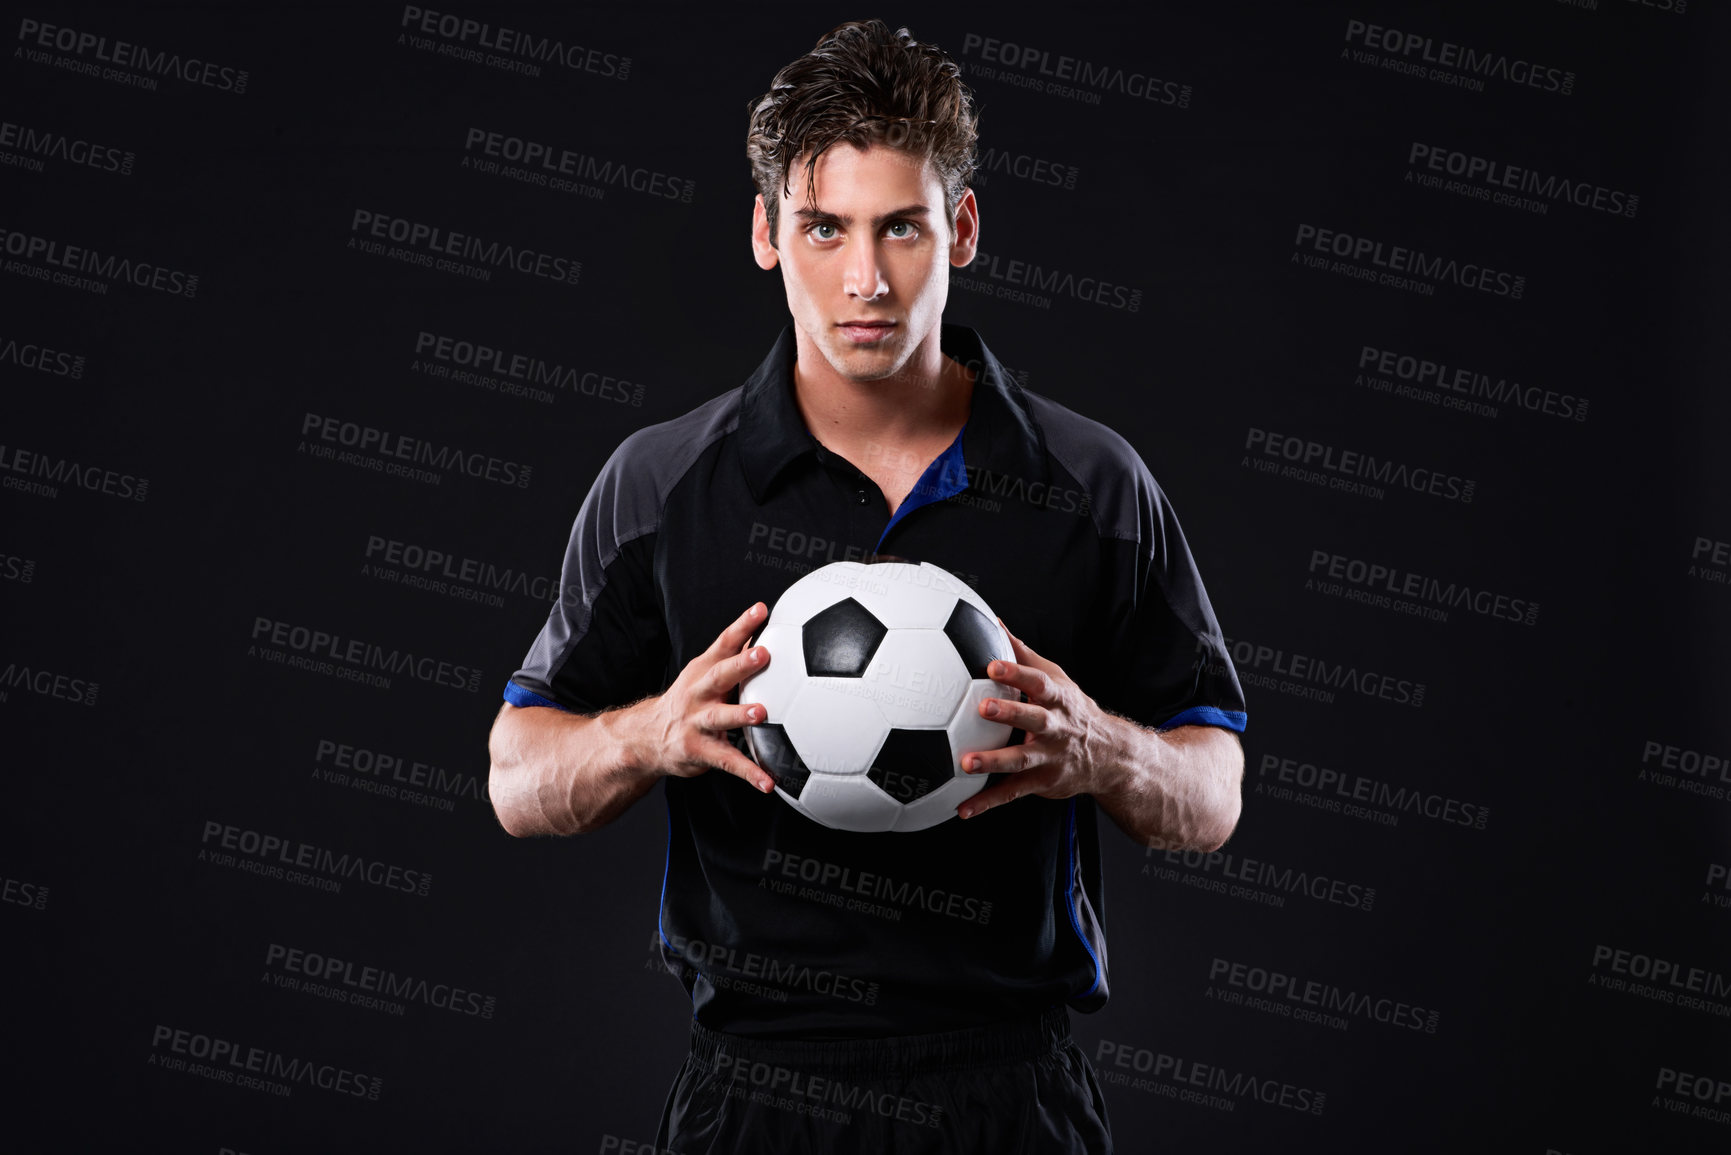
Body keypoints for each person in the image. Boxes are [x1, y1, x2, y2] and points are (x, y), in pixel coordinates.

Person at [487, 19, 1248, 1153]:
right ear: (764, 235)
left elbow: (1217, 787)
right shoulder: (663, 484)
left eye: (902, 228)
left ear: (965, 230)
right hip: (755, 1095)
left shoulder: (1090, 484)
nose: (866, 280)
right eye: (823, 228)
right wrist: (648, 734)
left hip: (1010, 1093)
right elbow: (514, 776)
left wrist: (1103, 751)